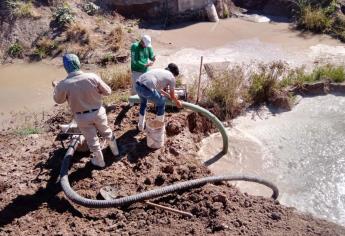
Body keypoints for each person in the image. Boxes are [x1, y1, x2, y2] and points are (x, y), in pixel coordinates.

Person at [52, 54, 119, 168]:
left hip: (82, 117)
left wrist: (56, 87)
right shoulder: (92, 76)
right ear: (78, 63)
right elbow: (108, 91)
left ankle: (100, 161)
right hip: (98, 112)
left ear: (66, 67)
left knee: (92, 140)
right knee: (107, 131)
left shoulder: (63, 84)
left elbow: (58, 100)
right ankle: (116, 152)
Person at [135, 63, 183, 131]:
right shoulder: (172, 77)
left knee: (143, 104)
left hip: (137, 85)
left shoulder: (160, 71)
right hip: (146, 89)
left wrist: (167, 95)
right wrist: (177, 102)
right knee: (161, 103)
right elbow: (172, 95)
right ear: (174, 74)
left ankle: (140, 126)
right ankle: (158, 127)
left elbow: (158, 89)